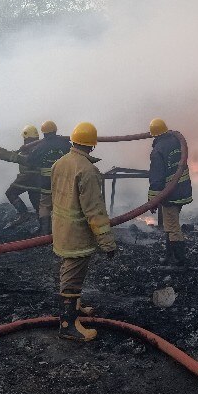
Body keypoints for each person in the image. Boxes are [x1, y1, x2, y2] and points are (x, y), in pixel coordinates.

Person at [51, 122, 116, 342]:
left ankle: (75, 308)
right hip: (77, 235)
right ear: (92, 146)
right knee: (72, 275)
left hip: (61, 229)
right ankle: (68, 325)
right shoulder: (87, 170)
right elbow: (95, 211)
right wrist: (107, 243)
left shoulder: (60, 163)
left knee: (72, 272)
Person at [147, 118, 192, 266]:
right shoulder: (176, 141)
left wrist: (152, 202)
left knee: (172, 227)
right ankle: (169, 257)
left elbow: (156, 179)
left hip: (171, 194)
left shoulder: (158, 150)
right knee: (170, 224)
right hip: (182, 190)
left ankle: (179, 262)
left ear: (154, 135)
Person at [28, 120, 71, 235]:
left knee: (45, 205)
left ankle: (45, 232)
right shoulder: (66, 144)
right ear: (55, 131)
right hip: (64, 181)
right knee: (64, 203)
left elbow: (30, 161)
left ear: (43, 133)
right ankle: (64, 229)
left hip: (46, 182)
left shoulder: (40, 146)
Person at [4, 125, 42, 230]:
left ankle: (23, 214)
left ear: (27, 137)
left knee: (10, 193)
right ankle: (44, 229)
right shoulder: (37, 147)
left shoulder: (34, 149)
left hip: (27, 178)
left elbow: (28, 161)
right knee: (37, 203)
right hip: (36, 181)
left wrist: (14, 155)